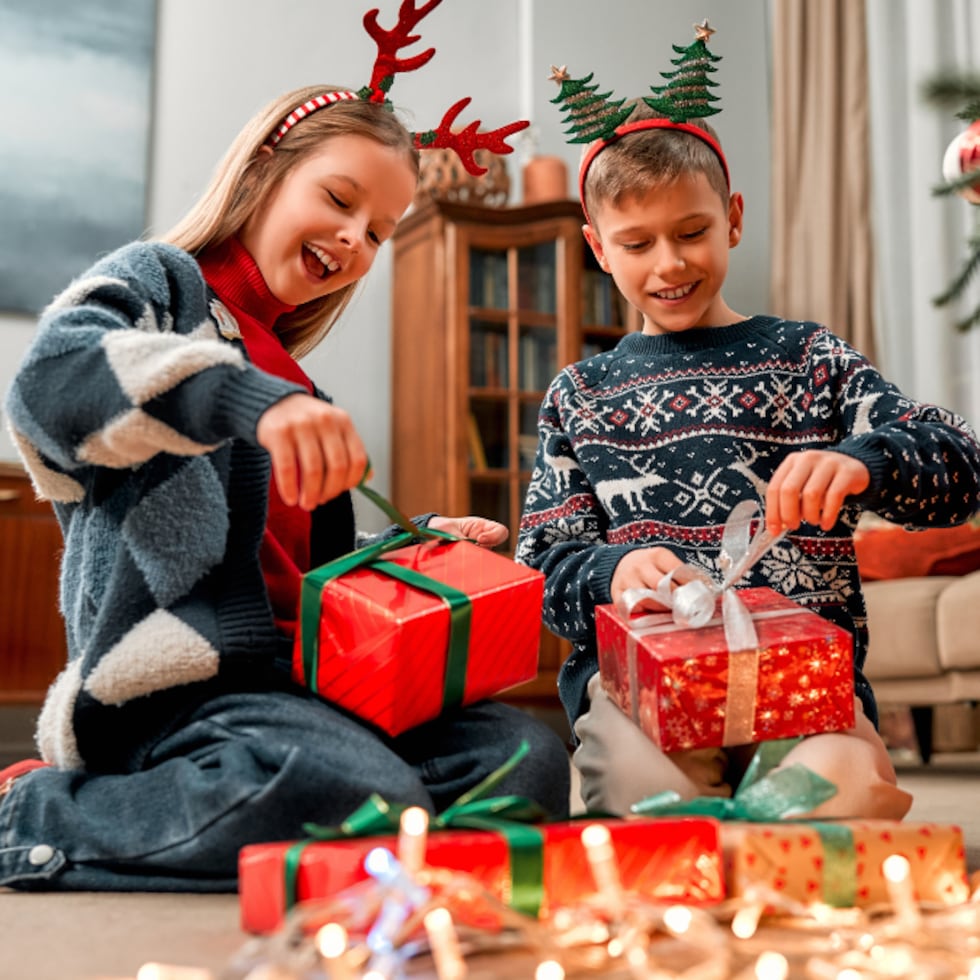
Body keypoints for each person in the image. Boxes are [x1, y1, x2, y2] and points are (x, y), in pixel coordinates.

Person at [0, 40, 571, 890]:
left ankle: (364, 832)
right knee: (344, 786)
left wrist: (406, 551)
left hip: (306, 686)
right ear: (267, 167)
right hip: (180, 688)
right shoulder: (163, 286)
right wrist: (249, 403)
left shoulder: (295, 376)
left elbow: (298, 570)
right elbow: (50, 381)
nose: (353, 239)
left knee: (525, 760)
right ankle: (33, 815)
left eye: (378, 232)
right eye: (339, 200)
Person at [516, 45, 980, 820]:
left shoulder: (809, 358)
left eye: (692, 231)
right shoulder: (579, 395)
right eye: (636, 244)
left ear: (733, 219)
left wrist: (863, 462)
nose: (669, 264)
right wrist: (612, 571)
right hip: (642, 694)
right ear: (599, 249)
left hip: (802, 690)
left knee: (841, 797)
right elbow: (543, 570)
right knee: (648, 808)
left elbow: (961, 468)